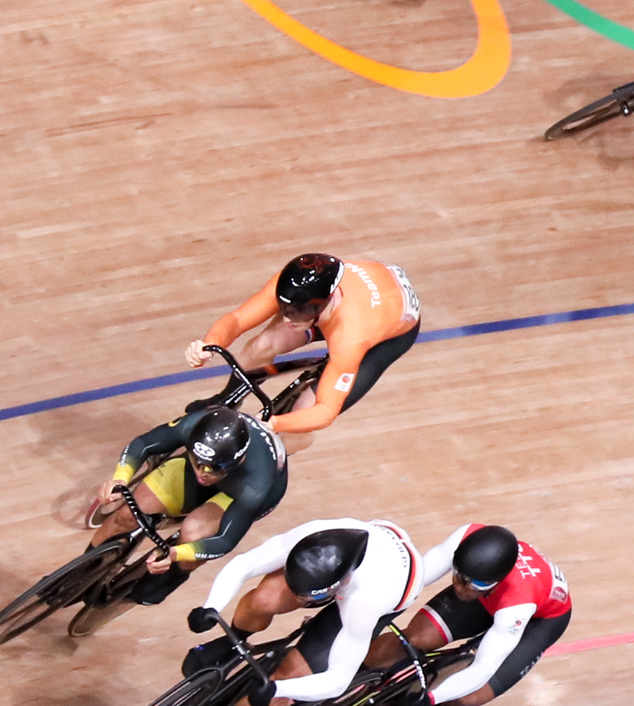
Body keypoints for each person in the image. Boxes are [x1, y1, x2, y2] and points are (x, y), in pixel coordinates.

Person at [151, 517, 422, 706]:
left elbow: (337, 681)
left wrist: (277, 689)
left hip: (385, 589)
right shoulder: (314, 536)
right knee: (264, 598)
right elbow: (244, 564)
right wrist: (211, 607)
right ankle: (234, 643)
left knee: (292, 675)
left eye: (307, 599)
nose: (300, 601)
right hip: (356, 559)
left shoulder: (364, 605)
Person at [184, 254, 420, 453]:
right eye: (284, 307)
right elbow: (236, 320)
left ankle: (270, 457)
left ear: (323, 303)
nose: (287, 318)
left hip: (387, 332)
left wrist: (273, 423)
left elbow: (325, 411)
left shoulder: (352, 336)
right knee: (264, 345)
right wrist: (209, 345)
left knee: (306, 409)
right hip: (353, 302)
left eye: (297, 312)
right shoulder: (295, 287)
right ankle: (228, 400)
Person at [365, 524, 572, 706]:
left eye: (475, 584)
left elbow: (484, 667)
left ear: (496, 581)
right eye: (459, 576)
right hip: (488, 597)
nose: (462, 588)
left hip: (540, 620)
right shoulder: (466, 540)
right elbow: (413, 580)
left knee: (464, 699)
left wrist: (430, 700)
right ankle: (357, 675)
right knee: (415, 638)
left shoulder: (518, 605)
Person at [86, 406, 288, 606]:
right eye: (197, 462)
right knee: (129, 513)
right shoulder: (194, 423)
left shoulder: (257, 482)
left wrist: (176, 554)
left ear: (240, 460)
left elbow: (225, 540)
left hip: (239, 492)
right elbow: (143, 443)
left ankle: (163, 583)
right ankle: (84, 571)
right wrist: (120, 479)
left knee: (192, 535)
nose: (203, 473)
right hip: (222, 472)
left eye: (213, 469)